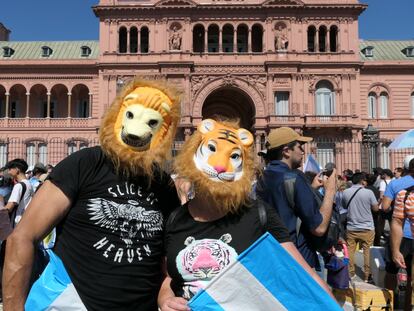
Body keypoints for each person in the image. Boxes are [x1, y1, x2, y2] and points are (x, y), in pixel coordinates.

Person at [3, 79, 182, 310]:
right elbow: (22, 238)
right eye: (131, 115)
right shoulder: (86, 163)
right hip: (70, 304)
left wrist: (165, 298)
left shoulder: (162, 185)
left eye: (152, 122)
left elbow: (167, 267)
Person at [158, 119, 335, 310]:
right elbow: (170, 277)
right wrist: (165, 298)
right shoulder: (175, 219)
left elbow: (305, 274)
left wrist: (333, 306)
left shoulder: (257, 215)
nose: (220, 167)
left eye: (233, 157)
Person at [256, 127, 337, 269]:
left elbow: (284, 207)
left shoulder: (261, 180)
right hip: (298, 261)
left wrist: (310, 189)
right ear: (286, 151)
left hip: (270, 257)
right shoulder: (295, 177)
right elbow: (319, 227)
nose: (303, 151)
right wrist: (330, 190)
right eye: (299, 147)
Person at [386, 156, 414, 309]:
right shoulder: (405, 194)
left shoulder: (395, 184)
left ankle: (393, 303)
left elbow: (384, 207)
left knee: (396, 272)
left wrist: (395, 250)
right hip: (405, 237)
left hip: (404, 237)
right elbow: (397, 221)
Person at [342, 172, 378, 283]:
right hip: (367, 227)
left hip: (352, 227)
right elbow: (376, 209)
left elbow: (344, 206)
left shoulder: (346, 192)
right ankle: (367, 276)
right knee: (367, 251)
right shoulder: (369, 192)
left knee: (350, 250)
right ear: (362, 180)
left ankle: (350, 272)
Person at [3, 159, 34, 227]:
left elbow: (9, 207)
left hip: (18, 224)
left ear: (17, 169)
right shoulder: (29, 184)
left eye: (10, 169)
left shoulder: (18, 186)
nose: (8, 172)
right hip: (27, 222)